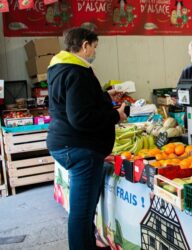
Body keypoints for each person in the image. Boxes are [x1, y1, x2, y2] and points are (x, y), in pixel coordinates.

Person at [47, 27, 127, 250]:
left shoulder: (59, 68)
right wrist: (115, 115)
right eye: (94, 46)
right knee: (82, 214)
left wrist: (103, 97)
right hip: (80, 148)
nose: (94, 51)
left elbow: (73, 103)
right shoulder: (77, 72)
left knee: (83, 210)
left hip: (64, 143)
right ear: (84, 45)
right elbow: (80, 117)